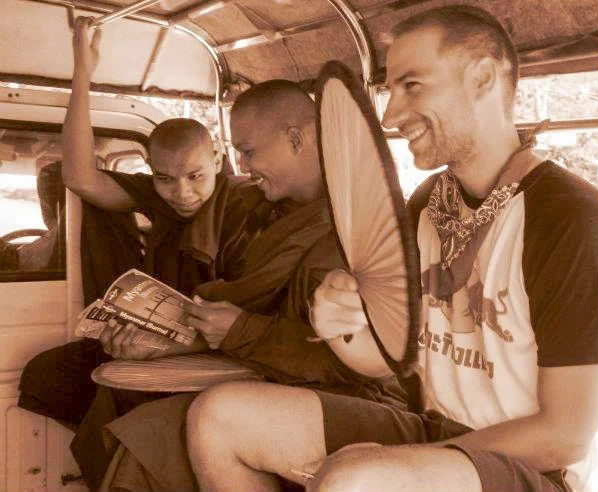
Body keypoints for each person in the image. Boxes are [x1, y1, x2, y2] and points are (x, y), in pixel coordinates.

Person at [184, 5, 598, 492]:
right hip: (430, 428)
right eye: (391, 90)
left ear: (482, 78)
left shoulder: (570, 219)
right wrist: (342, 327)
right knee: (217, 418)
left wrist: (400, 460)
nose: (391, 115)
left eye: (412, 86)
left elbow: (564, 436)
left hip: (529, 469)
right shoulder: (428, 203)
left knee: (356, 481)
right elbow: (389, 361)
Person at [90, 77, 407, 491]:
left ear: (295, 139)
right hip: (270, 374)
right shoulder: (268, 211)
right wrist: (166, 345)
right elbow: (251, 315)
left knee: (151, 439)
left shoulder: (360, 225)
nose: (242, 167)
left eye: (249, 151)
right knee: (126, 409)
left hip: (356, 396)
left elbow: (353, 363)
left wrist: (240, 331)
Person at [17, 16, 267, 431]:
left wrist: (160, 350)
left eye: (195, 176)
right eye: (164, 178)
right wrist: (83, 74)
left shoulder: (244, 208)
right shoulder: (158, 197)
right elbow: (79, 179)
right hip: (160, 337)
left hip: (217, 351)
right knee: (49, 375)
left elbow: (247, 320)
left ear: (218, 160)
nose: (182, 193)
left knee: (121, 402)